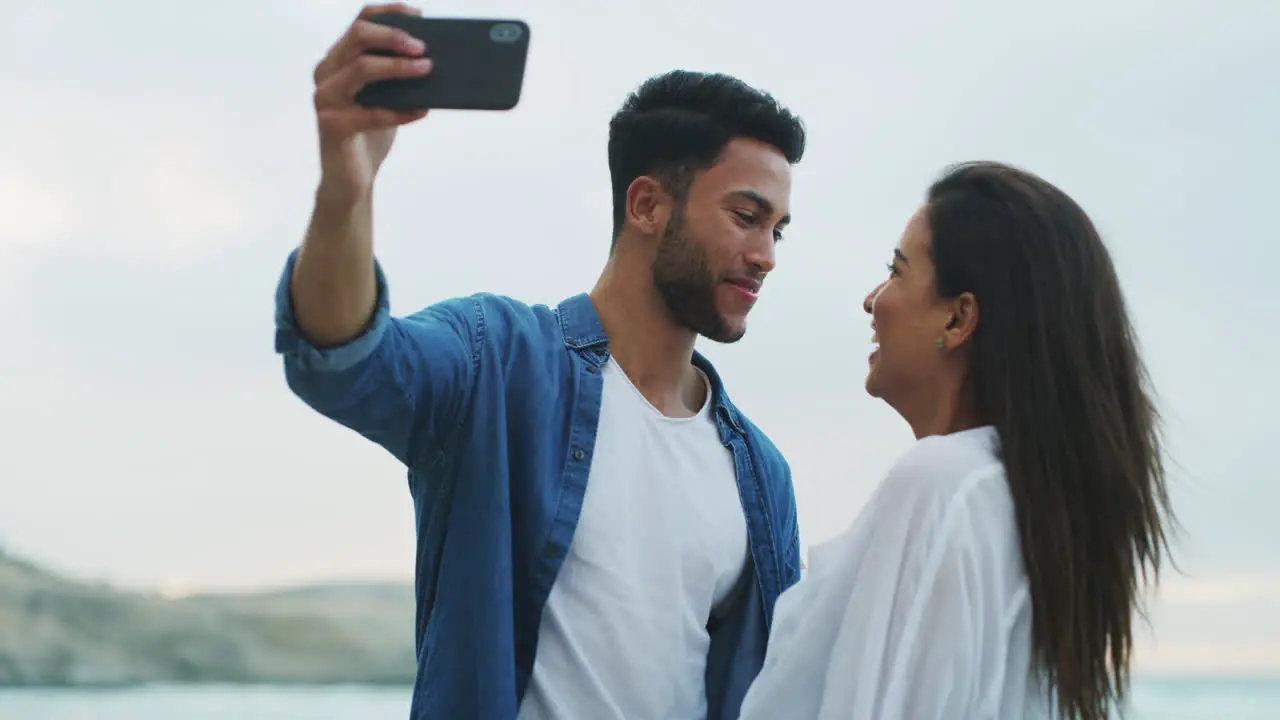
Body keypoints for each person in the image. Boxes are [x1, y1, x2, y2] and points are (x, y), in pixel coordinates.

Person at [273, 4, 806, 719]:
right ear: (646, 204)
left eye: (778, 229)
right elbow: (344, 358)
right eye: (746, 217)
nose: (767, 255)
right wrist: (347, 183)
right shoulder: (499, 361)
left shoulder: (762, 479)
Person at [737, 162, 1176, 720]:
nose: (873, 300)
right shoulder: (1029, 504)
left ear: (959, 317)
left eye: (896, 273)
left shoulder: (946, 484)